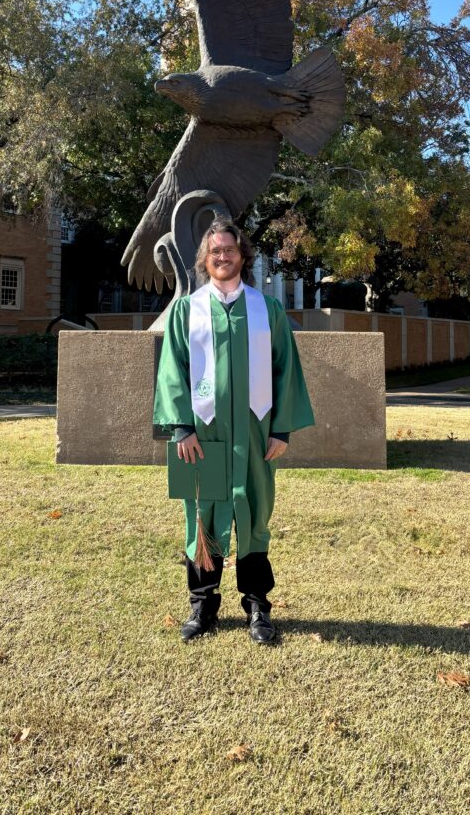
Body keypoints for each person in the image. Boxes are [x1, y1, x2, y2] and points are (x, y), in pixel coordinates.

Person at [153, 219, 314, 643]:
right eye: (214, 252)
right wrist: (181, 428)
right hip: (202, 436)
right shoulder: (188, 310)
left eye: (229, 249)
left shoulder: (268, 310)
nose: (222, 256)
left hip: (257, 433)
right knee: (202, 515)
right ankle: (202, 605)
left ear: (243, 255)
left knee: (255, 515)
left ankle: (258, 607)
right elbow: (173, 370)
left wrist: (282, 430)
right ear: (205, 261)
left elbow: (285, 371)